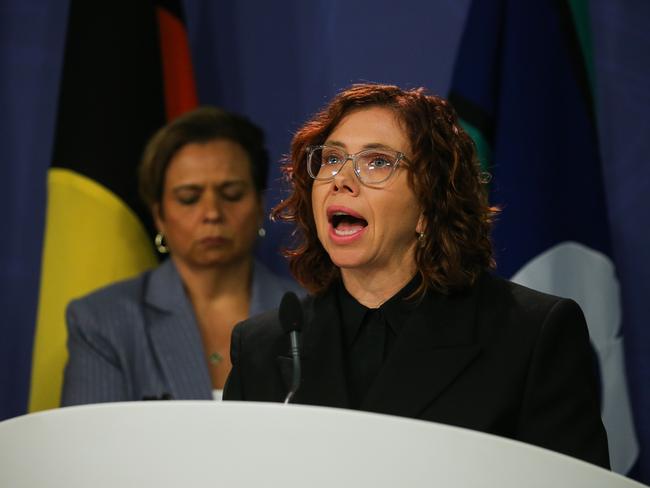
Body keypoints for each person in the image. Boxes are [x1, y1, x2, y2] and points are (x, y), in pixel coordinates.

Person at [223, 84, 610, 468]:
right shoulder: (262, 346)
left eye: (376, 161)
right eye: (331, 159)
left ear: (430, 202)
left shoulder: (529, 335)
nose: (341, 179)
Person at [61, 106, 302, 404]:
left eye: (232, 194)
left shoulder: (310, 313)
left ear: (259, 204)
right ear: (159, 214)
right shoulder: (101, 321)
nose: (212, 213)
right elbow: (89, 446)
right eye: (189, 198)